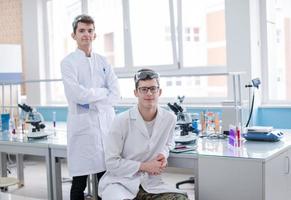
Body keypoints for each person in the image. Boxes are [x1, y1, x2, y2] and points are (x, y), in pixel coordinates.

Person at [98, 69, 188, 200]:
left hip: (151, 184)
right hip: (121, 183)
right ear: (136, 93)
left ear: (160, 91)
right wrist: (145, 166)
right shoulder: (121, 120)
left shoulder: (170, 119)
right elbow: (111, 163)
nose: (149, 93)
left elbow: (169, 143)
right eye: (143, 89)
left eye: (153, 88)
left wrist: (163, 154)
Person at [61, 14, 120, 200]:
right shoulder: (68, 62)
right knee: (79, 182)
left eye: (90, 31)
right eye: (82, 31)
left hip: (106, 128)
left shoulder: (103, 61)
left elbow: (116, 94)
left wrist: (92, 95)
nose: (86, 34)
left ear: (95, 35)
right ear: (74, 35)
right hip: (83, 129)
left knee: (107, 181)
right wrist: (103, 93)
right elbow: (76, 95)